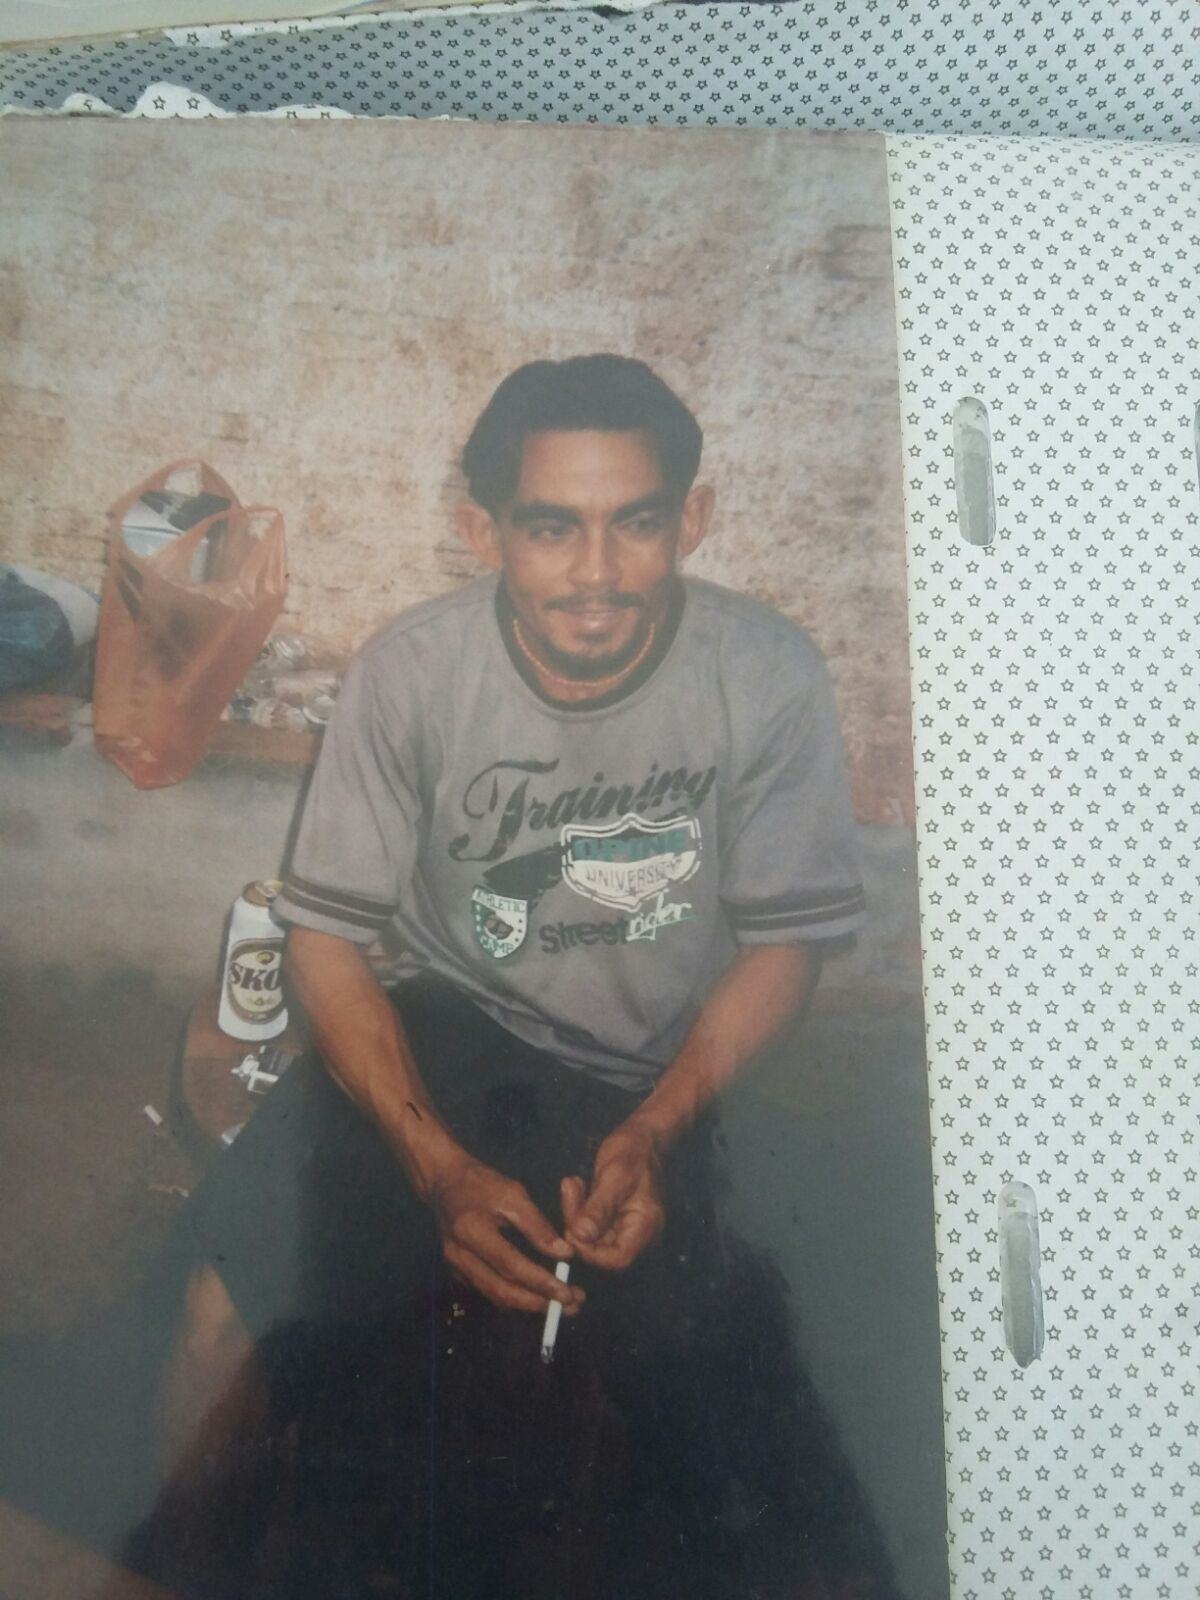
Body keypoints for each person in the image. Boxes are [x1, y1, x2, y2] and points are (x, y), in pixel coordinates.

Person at [130, 353, 895, 1599]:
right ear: (485, 532)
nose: (597, 573)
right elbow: (326, 938)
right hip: (448, 1029)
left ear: (692, 518)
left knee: (709, 1442)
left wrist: (658, 1127)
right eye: (550, 528)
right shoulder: (410, 671)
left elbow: (785, 947)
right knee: (220, 1313)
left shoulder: (766, 673)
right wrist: (434, 1163)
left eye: (635, 522)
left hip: (661, 1069)